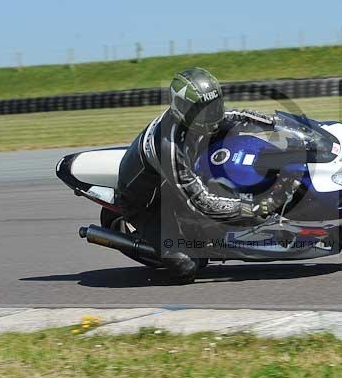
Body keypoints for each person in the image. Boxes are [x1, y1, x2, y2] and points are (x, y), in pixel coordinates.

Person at [117, 67, 275, 283]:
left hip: (172, 183)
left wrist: (276, 123)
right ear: (185, 111)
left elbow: (235, 116)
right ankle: (158, 246)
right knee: (189, 267)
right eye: (206, 110)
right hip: (148, 203)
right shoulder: (170, 147)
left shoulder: (198, 117)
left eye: (215, 105)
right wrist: (249, 207)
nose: (214, 114)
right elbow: (201, 202)